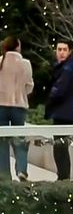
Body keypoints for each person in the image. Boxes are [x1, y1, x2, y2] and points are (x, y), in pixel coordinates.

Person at [45, 40, 73, 180]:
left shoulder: (67, 69)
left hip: (64, 112)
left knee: (60, 148)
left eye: (64, 49)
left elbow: (59, 90)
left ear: (69, 51)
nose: (61, 53)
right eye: (59, 49)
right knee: (60, 147)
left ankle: (63, 178)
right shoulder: (63, 67)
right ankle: (63, 177)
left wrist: (49, 102)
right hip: (63, 111)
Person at [0, 36, 34, 181]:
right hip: (19, 106)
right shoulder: (25, 63)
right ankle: (21, 169)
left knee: (2, 140)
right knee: (19, 139)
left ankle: (4, 174)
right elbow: (29, 85)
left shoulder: (0, 61)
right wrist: (22, 94)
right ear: (17, 46)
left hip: (1, 105)